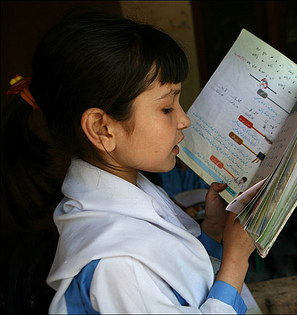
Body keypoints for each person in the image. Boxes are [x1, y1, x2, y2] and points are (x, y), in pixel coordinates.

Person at [1, 9, 255, 313]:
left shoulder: (133, 189)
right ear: (102, 128)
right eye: (166, 108)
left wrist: (213, 232)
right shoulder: (117, 266)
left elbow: (178, 280)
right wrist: (236, 260)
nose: (184, 120)